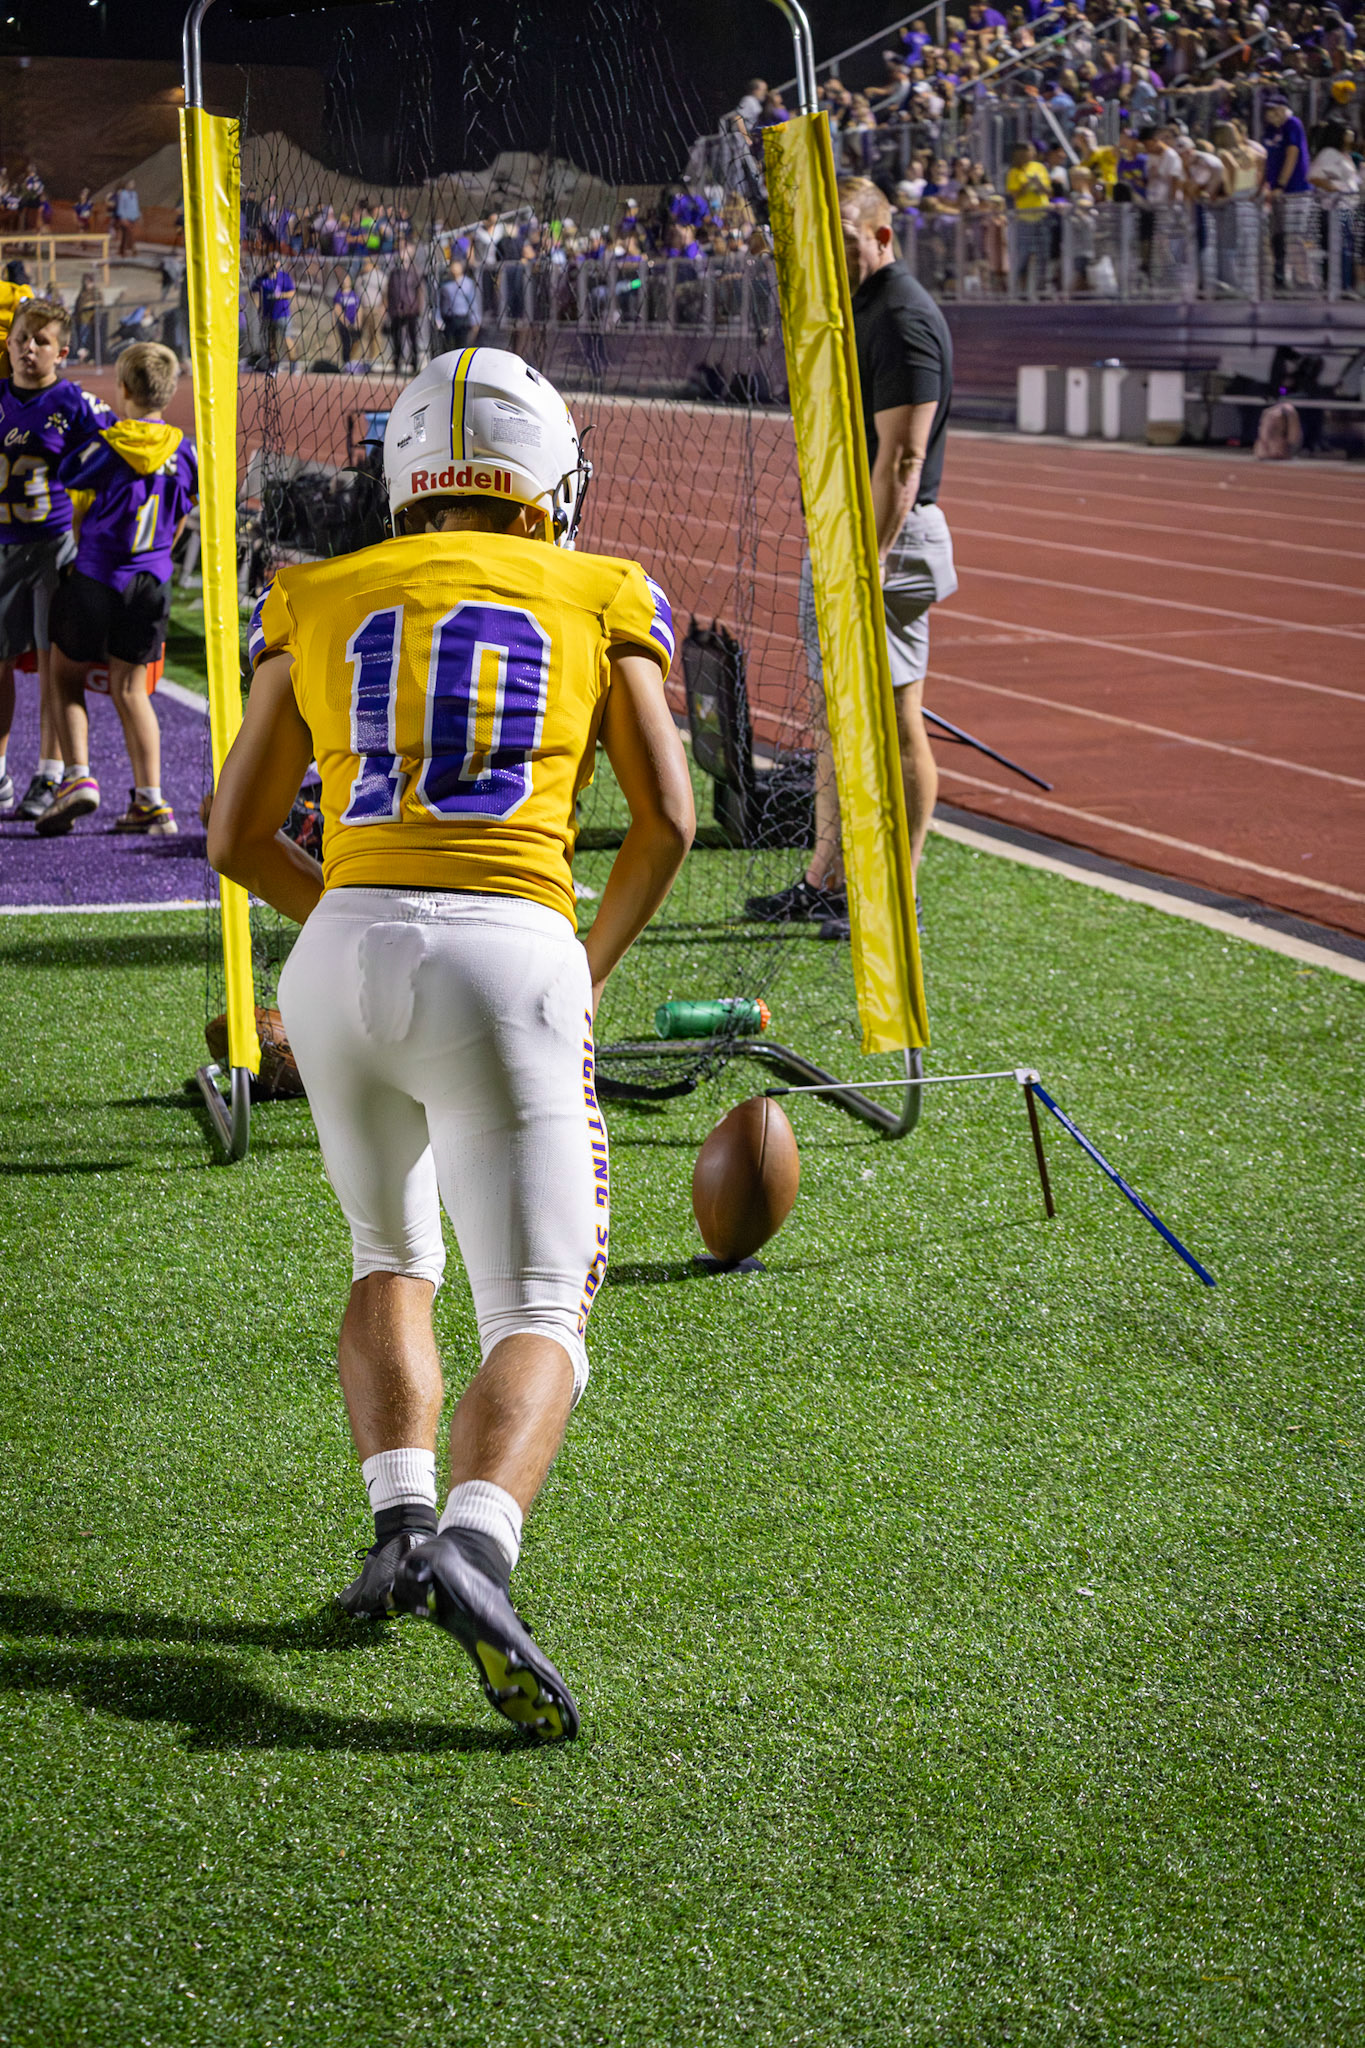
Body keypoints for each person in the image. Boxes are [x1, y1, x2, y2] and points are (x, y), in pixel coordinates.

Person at [206, 348, 694, 1741]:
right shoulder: (601, 588)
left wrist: (352, 914)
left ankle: (396, 1522)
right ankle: (475, 1545)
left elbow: (238, 833)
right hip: (510, 947)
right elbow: (666, 815)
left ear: (406, 475)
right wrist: (582, 966)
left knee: (388, 1256)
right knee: (539, 1311)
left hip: (342, 959)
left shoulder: (314, 590)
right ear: (548, 481)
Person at [745, 179, 956, 927]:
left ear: (882, 237)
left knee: (896, 723)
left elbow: (902, 460)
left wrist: (859, 568)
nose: (825, 258)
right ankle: (825, 882)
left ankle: (895, 897)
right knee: (839, 723)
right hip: (844, 540)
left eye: (839, 241)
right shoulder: (854, 307)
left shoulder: (901, 318)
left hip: (884, 548)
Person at [40, 343, 197, 839]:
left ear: (123, 389)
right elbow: (181, 520)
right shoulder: (187, 450)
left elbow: (75, 499)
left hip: (96, 576)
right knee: (132, 690)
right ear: (170, 391)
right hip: (152, 581)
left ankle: (77, 777)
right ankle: (151, 801)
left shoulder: (105, 445)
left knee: (65, 677)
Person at [0, 299, 112, 821]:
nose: (29, 348)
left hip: (54, 549)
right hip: (1, 547)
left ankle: (48, 771)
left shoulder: (74, 403)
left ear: (61, 352)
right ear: (8, 341)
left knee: (51, 664)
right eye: (23, 337)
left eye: (41, 341)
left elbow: (112, 458)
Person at [386, 240, 426, 373]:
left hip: (411, 309)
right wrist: (390, 308)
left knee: (413, 336)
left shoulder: (415, 271)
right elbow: (390, 291)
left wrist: (418, 307)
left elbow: (419, 291)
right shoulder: (394, 272)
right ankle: (397, 363)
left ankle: (415, 363)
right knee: (396, 337)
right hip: (397, 310)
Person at [252, 256, 297, 370]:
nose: (273, 264)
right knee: (271, 342)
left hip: (283, 314)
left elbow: (292, 292)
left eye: (276, 262)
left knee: (287, 338)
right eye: (271, 262)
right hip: (268, 315)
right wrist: (258, 306)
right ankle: (273, 366)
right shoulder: (262, 278)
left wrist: (280, 295)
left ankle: (293, 366)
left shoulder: (284, 277)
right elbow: (254, 291)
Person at [436, 256, 480, 353]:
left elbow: (472, 302)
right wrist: (438, 318)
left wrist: (475, 320)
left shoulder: (468, 283)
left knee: (462, 347)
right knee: (449, 348)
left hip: (463, 319)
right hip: (449, 319)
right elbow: (439, 302)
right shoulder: (445, 284)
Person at [332, 268, 361, 366]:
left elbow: (359, 309)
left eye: (347, 279)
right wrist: (346, 323)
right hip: (343, 324)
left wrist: (357, 322)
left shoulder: (354, 294)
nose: (346, 281)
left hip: (354, 323)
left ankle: (352, 360)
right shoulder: (339, 295)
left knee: (356, 341)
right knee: (346, 343)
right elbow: (338, 310)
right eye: (344, 280)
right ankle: (346, 363)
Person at [113, 178, 142, 257]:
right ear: (127, 185)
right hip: (125, 217)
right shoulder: (123, 194)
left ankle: (122, 250)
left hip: (133, 217)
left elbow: (136, 205)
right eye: (131, 184)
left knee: (126, 234)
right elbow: (121, 206)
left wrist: (138, 215)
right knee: (129, 233)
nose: (132, 185)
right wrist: (122, 218)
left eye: (133, 184)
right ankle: (133, 249)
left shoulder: (135, 194)